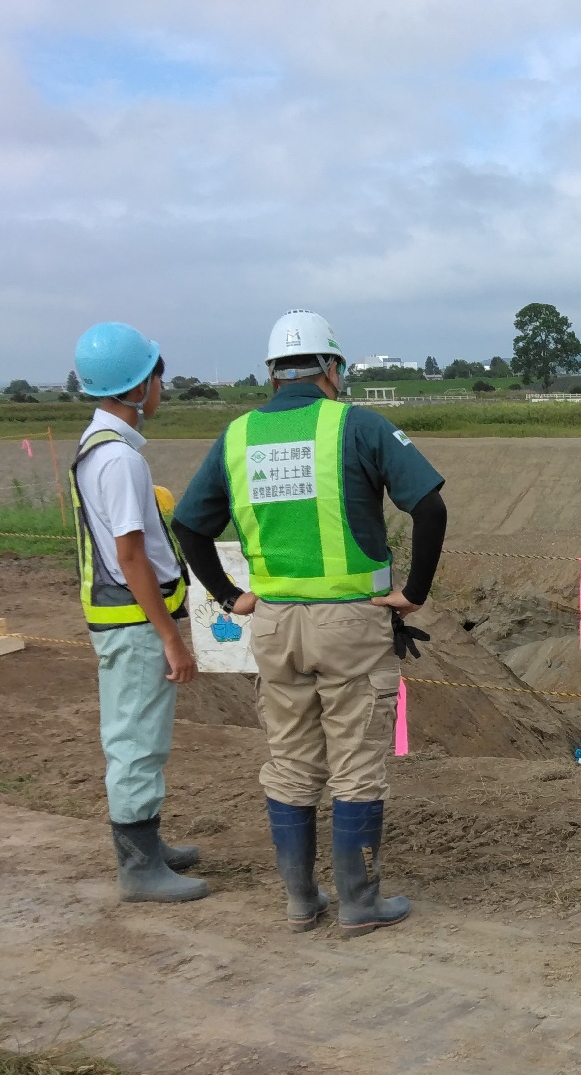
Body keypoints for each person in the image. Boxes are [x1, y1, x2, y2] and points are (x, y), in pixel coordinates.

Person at [170, 309, 445, 935]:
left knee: (291, 761)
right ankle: (359, 902)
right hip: (351, 625)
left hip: (272, 624)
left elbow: (188, 523)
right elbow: (429, 506)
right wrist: (415, 593)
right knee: (356, 762)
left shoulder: (236, 436)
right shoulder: (357, 424)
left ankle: (301, 901)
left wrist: (228, 593)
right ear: (332, 368)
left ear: (271, 372)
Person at [69, 320, 207, 904]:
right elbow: (130, 554)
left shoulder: (101, 448)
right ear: (135, 387)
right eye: (156, 375)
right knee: (135, 740)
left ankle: (146, 844)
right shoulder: (119, 461)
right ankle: (139, 866)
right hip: (133, 622)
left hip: (123, 618)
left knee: (139, 735)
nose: (161, 386)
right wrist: (170, 635)